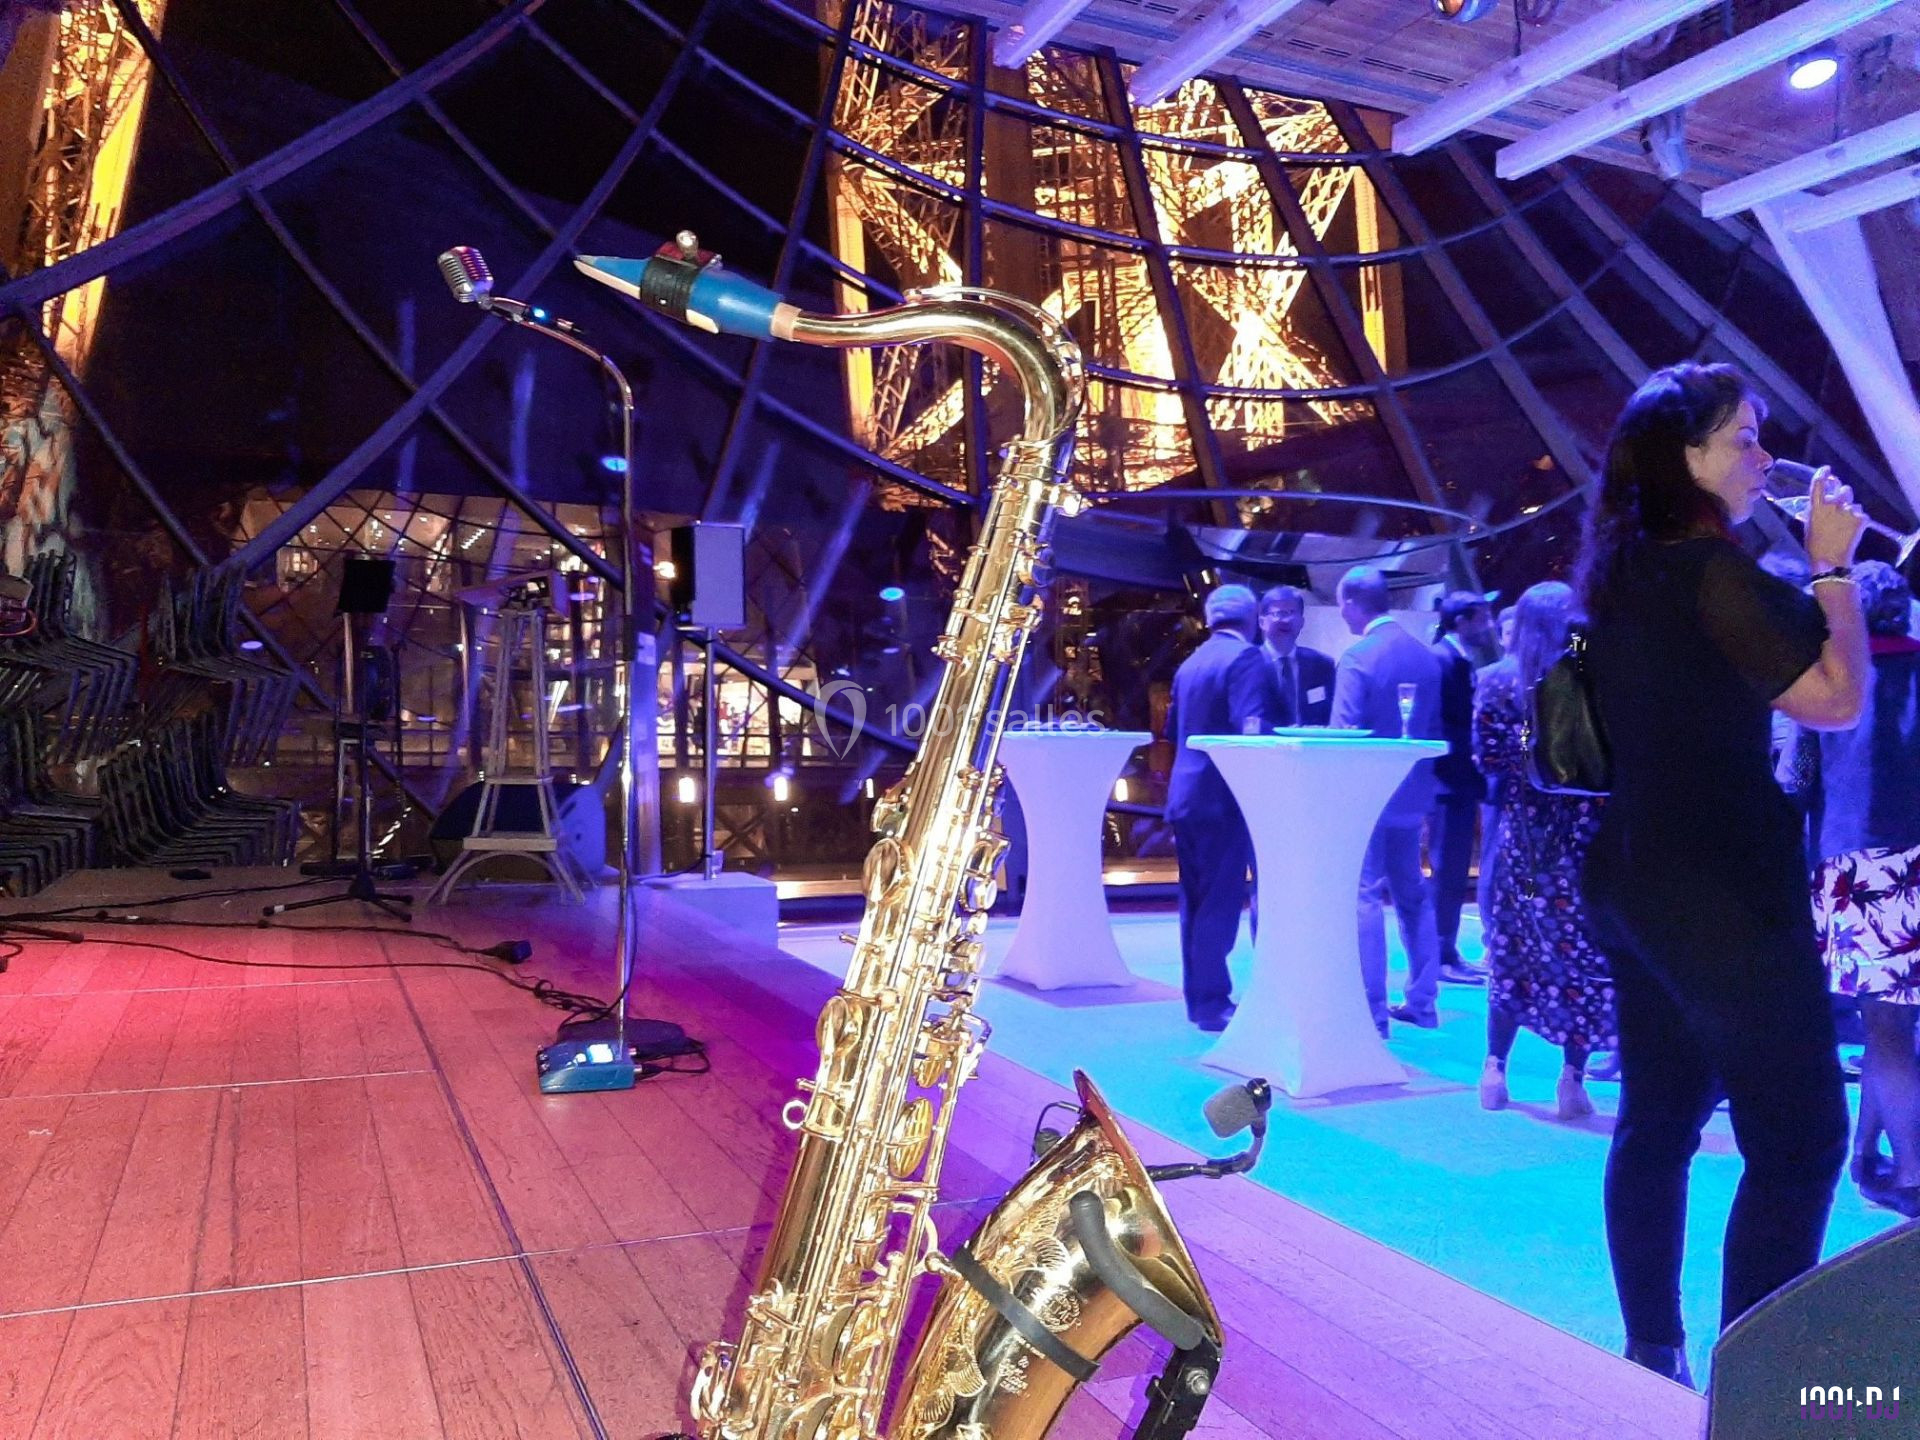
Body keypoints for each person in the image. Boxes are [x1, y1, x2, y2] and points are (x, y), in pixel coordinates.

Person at [1576, 362, 1868, 1385]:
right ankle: (1761, 1388)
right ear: (1686, 458)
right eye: (1743, 437)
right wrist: (1835, 569)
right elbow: (1835, 700)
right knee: (1800, 1136)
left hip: (1635, 872)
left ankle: (1652, 1353)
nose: (1765, 457)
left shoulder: (1618, 571)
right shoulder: (1712, 574)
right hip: (1720, 885)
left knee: (1657, 1118)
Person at [1472, 581, 1615, 1119]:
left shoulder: (1495, 681)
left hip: (1526, 840)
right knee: (1581, 958)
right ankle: (1571, 1080)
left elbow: (1487, 759)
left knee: (1511, 949)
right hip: (1585, 838)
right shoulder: (1592, 680)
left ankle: (1494, 1068)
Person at [1804, 561, 1920, 1217]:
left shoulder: (1836, 683)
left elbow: (1798, 779)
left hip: (1860, 865)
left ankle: (1909, 1175)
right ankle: (1867, 1151)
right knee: (1896, 1023)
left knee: (1883, 1022)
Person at [1332, 566, 1444, 1036]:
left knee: (1364, 895)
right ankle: (1423, 1000)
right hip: (1415, 793)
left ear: (1355, 603)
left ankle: (1371, 1012)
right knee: (1413, 894)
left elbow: (1343, 737)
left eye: (1341, 604)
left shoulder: (1357, 657)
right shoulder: (1427, 657)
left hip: (1365, 797)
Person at [1166, 584, 1281, 1032]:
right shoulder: (1246, 658)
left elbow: (1174, 727)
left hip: (1186, 795)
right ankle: (1212, 1001)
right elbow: (1248, 728)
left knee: (1193, 901)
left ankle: (1201, 997)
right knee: (1220, 899)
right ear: (1252, 619)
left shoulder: (1190, 662)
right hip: (1224, 798)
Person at [1430, 591, 1498, 985]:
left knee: (1453, 871)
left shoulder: (1457, 660)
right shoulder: (1445, 661)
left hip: (1456, 784)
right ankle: (1440, 955)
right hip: (1448, 785)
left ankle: (1447, 950)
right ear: (1462, 620)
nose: (1487, 625)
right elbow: (1446, 726)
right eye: (1482, 617)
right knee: (1447, 871)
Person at [1258, 585, 1336, 726]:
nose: (1286, 620)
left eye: (1291, 612)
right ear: (1262, 622)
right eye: (1278, 613)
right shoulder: (1249, 664)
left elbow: (1332, 715)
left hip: (1311, 746)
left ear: (1302, 622)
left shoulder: (1322, 665)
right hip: (1266, 747)